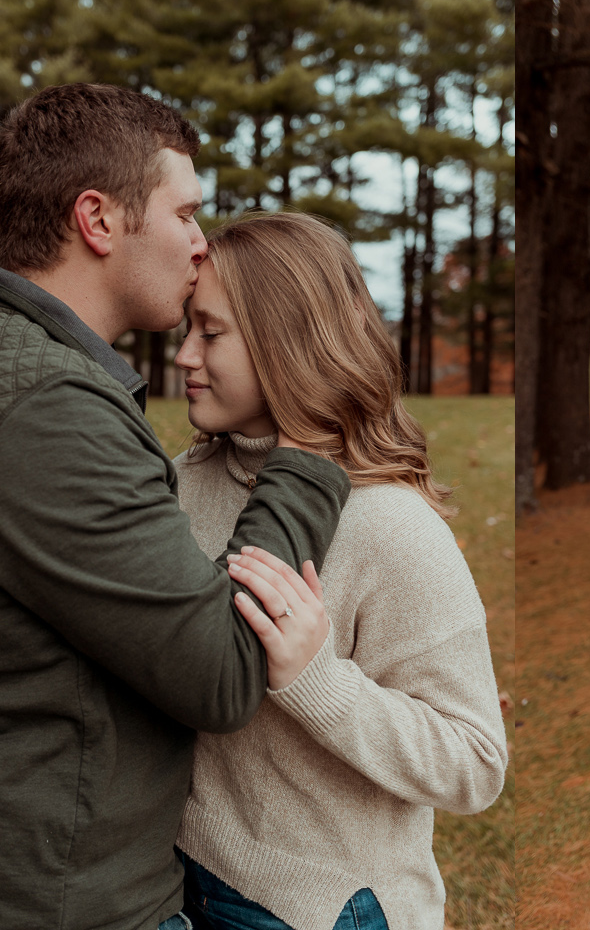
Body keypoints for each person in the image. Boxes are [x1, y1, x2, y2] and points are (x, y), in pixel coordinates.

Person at [0, 84, 350, 930]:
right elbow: (223, 672)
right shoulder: (48, 408)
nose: (202, 246)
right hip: (52, 908)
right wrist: (307, 458)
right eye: (187, 215)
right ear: (98, 220)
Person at [167, 211, 506, 930]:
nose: (184, 357)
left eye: (211, 332)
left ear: (285, 339)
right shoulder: (179, 483)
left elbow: (475, 762)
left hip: (320, 909)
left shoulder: (390, 524)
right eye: (185, 330)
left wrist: (316, 679)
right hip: (181, 877)